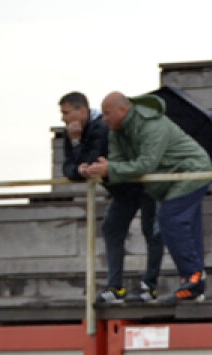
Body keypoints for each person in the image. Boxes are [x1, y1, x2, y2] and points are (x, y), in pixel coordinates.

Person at [85, 92, 212, 304]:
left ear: (123, 110)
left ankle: (192, 280)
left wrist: (111, 169)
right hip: (172, 180)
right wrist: (96, 171)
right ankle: (195, 284)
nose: (104, 119)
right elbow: (119, 165)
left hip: (192, 171)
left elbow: (146, 164)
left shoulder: (152, 124)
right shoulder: (116, 132)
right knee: (188, 226)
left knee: (171, 219)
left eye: (107, 113)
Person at [61, 91, 166, 305]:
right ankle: (115, 287)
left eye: (66, 113)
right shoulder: (71, 132)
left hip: (142, 184)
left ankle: (149, 287)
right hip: (122, 189)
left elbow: (91, 162)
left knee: (151, 231)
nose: (63, 118)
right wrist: (76, 155)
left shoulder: (101, 127)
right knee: (111, 228)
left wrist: (76, 146)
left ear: (82, 111)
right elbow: (68, 167)